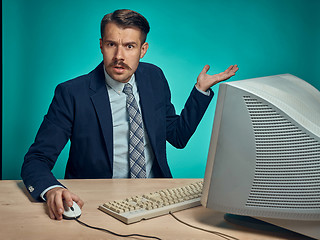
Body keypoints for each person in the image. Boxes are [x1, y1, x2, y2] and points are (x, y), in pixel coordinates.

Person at [21, 9, 238, 220]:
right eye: (111, 44)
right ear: (101, 45)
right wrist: (51, 190)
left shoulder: (154, 77)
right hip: (96, 203)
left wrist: (200, 91)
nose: (119, 56)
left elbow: (177, 136)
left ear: (143, 50)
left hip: (157, 199)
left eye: (129, 46)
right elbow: (36, 159)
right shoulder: (71, 93)